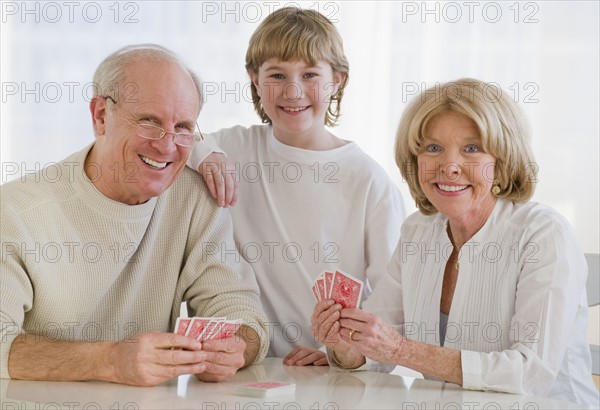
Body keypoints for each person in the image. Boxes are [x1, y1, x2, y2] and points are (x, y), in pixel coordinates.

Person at [312, 78, 599, 405]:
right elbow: (377, 348)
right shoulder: (417, 232)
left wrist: (401, 349)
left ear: (502, 161)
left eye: (471, 149)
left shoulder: (544, 233)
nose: (449, 167)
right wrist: (343, 344)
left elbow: (528, 374)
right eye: (433, 148)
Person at [0, 44, 269, 387]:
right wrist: (109, 361)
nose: (167, 145)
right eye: (148, 122)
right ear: (100, 116)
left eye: (182, 127)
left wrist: (236, 347)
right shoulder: (14, 211)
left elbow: (242, 312)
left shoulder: (195, 199)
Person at [187, 7, 405, 365]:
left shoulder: (369, 182)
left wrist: (337, 353)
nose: (293, 90)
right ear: (253, 79)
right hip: (248, 368)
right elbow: (181, 139)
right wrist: (206, 155)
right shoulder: (234, 148)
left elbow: (394, 306)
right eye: (277, 74)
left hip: (335, 373)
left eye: (309, 74)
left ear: (337, 80)